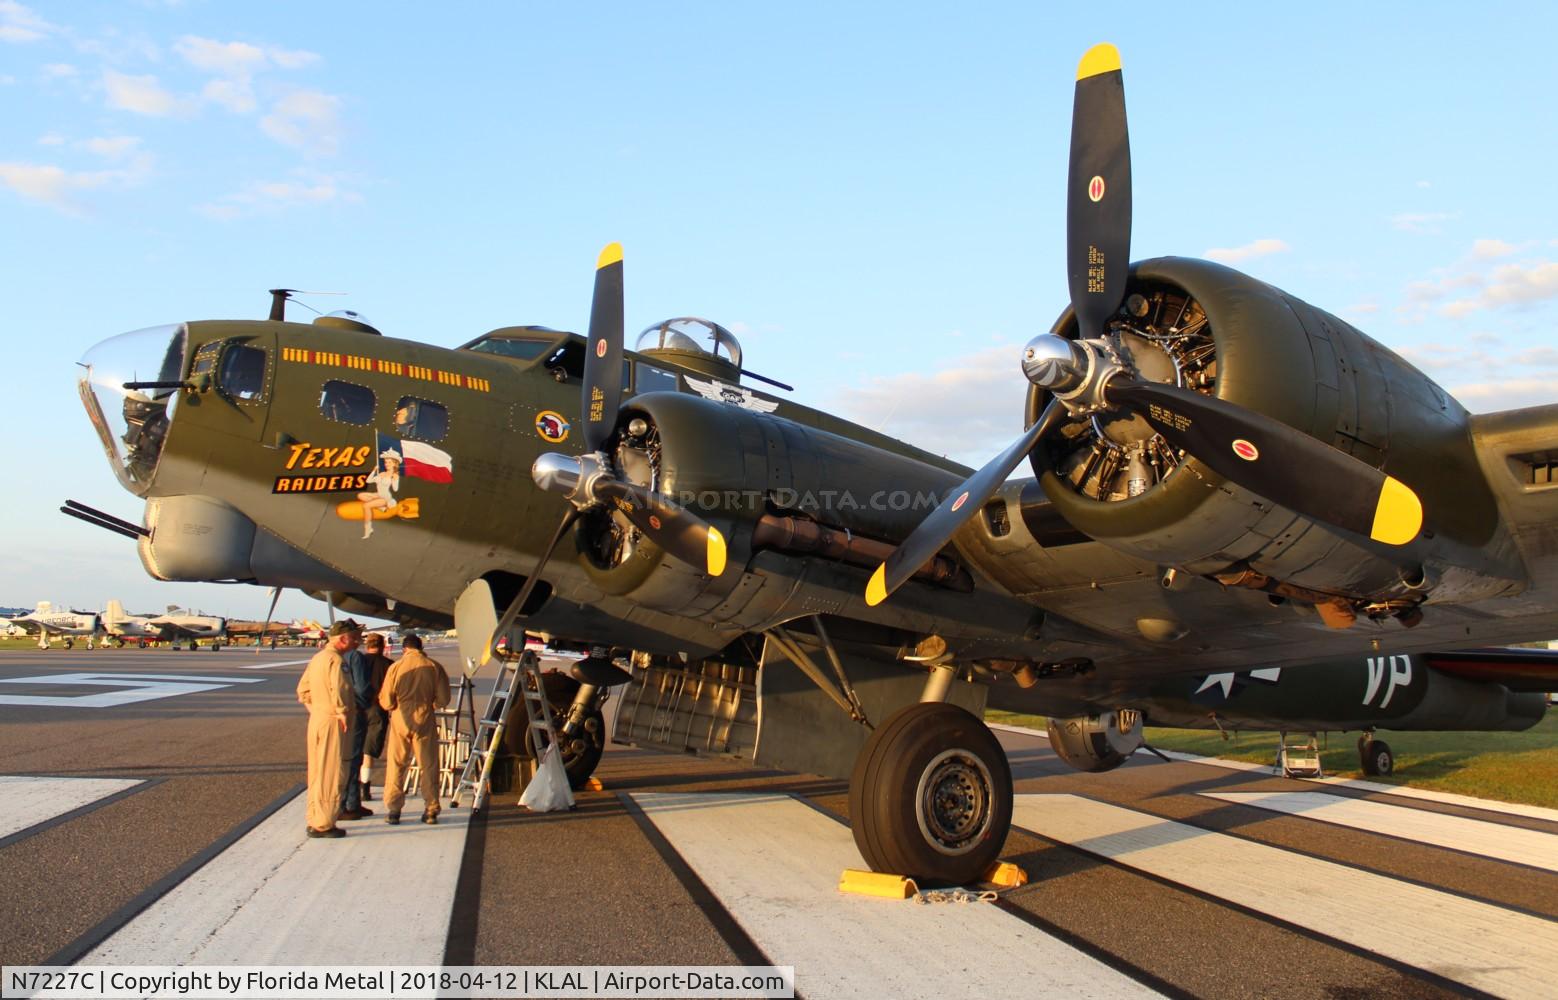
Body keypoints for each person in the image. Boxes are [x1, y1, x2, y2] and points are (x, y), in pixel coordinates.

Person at [296, 619, 362, 839]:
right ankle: (324, 824)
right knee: (332, 772)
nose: (358, 641)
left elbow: (303, 691)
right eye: (354, 638)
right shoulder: (336, 661)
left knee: (316, 771)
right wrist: (340, 712)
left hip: (318, 719)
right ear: (343, 639)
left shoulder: (317, 658)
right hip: (334, 722)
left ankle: (314, 817)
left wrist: (318, 710)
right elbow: (341, 690)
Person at [379, 634, 451, 825]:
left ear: (404, 649)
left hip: (400, 719)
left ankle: (394, 810)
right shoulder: (434, 666)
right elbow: (443, 699)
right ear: (420, 647)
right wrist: (429, 705)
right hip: (425, 716)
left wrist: (395, 706)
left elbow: (386, 701)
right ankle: (431, 809)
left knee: (396, 764)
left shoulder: (395, 667)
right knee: (428, 765)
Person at [338, 627, 375, 820]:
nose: (360, 639)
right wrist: (367, 702)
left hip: (337, 713)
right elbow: (361, 687)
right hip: (355, 713)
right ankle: (349, 804)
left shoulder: (333, 657)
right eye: (358, 636)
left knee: (343, 759)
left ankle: (347, 802)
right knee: (353, 759)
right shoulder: (356, 657)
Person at [357, 633, 394, 802]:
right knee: (368, 752)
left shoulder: (358, 662)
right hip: (378, 710)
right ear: (383, 646)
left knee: (353, 749)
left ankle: (352, 788)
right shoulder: (389, 665)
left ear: (367, 645)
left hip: (357, 709)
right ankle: (365, 789)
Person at [357, 451, 401, 538]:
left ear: (394, 464)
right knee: (360, 495)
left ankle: (368, 529)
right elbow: (368, 481)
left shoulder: (394, 475)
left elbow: (395, 489)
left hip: (385, 498)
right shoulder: (382, 473)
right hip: (378, 494)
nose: (386, 464)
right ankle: (381, 508)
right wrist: (374, 470)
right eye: (385, 462)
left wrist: (395, 479)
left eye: (389, 462)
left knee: (366, 506)